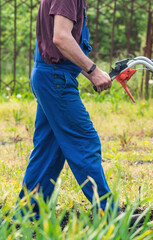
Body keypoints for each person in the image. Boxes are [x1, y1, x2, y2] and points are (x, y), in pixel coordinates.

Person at [17, 0, 116, 218]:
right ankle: (109, 214)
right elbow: (61, 38)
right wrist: (92, 69)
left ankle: (26, 216)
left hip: (49, 76)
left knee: (48, 150)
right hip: (55, 78)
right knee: (84, 143)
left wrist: (92, 74)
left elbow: (58, 43)